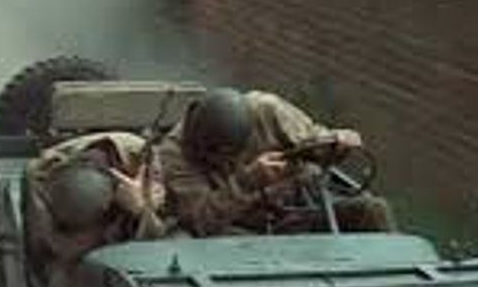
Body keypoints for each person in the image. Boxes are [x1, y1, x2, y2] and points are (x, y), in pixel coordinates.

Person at [156, 88, 394, 237]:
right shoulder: (173, 155)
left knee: (372, 210)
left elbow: (315, 141)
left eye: (233, 155)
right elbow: (199, 221)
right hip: (238, 232)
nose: (225, 162)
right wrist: (245, 183)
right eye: (215, 157)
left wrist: (338, 144)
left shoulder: (268, 111)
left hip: (295, 214)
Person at [26, 131, 174, 287]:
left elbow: (163, 247)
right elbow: (57, 250)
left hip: (121, 193)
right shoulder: (52, 201)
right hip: (79, 248)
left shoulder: (142, 163)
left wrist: (142, 210)